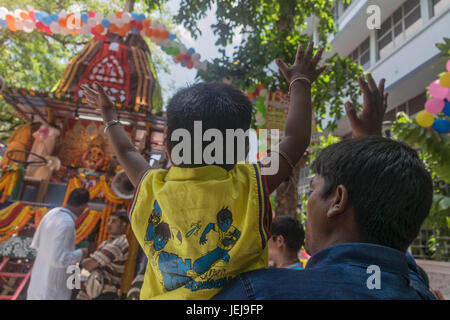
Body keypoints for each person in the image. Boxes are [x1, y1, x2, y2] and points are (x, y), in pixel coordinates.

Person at [82, 41, 326, 299]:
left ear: (168, 148)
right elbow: (296, 139)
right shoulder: (252, 184)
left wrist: (109, 115)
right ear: (241, 149)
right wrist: (300, 80)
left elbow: (128, 152)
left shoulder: (152, 186)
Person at [213, 75, 436, 300]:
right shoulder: (418, 288)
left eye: (312, 189)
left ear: (337, 200)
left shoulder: (258, 292)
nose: (308, 203)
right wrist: (371, 150)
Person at [27, 188, 90, 300]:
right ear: (84, 205)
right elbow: (60, 259)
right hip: (53, 290)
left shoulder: (51, 214)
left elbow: (36, 245)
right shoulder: (67, 224)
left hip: (38, 284)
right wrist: (82, 252)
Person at [78, 210, 129, 300]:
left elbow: (90, 264)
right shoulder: (107, 242)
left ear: (123, 224)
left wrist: (80, 263)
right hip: (96, 292)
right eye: (109, 220)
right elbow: (90, 270)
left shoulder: (120, 243)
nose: (109, 224)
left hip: (107, 294)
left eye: (114, 221)